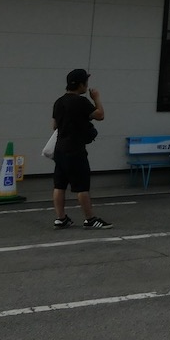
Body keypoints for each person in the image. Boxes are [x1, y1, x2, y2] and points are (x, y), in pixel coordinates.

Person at [51, 68, 112, 229]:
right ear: (80, 84)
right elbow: (100, 115)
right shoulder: (81, 101)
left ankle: (61, 218)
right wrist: (96, 98)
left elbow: (54, 125)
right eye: (86, 82)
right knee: (82, 186)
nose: (87, 85)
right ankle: (90, 219)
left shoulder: (59, 102)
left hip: (59, 149)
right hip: (75, 149)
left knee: (59, 185)